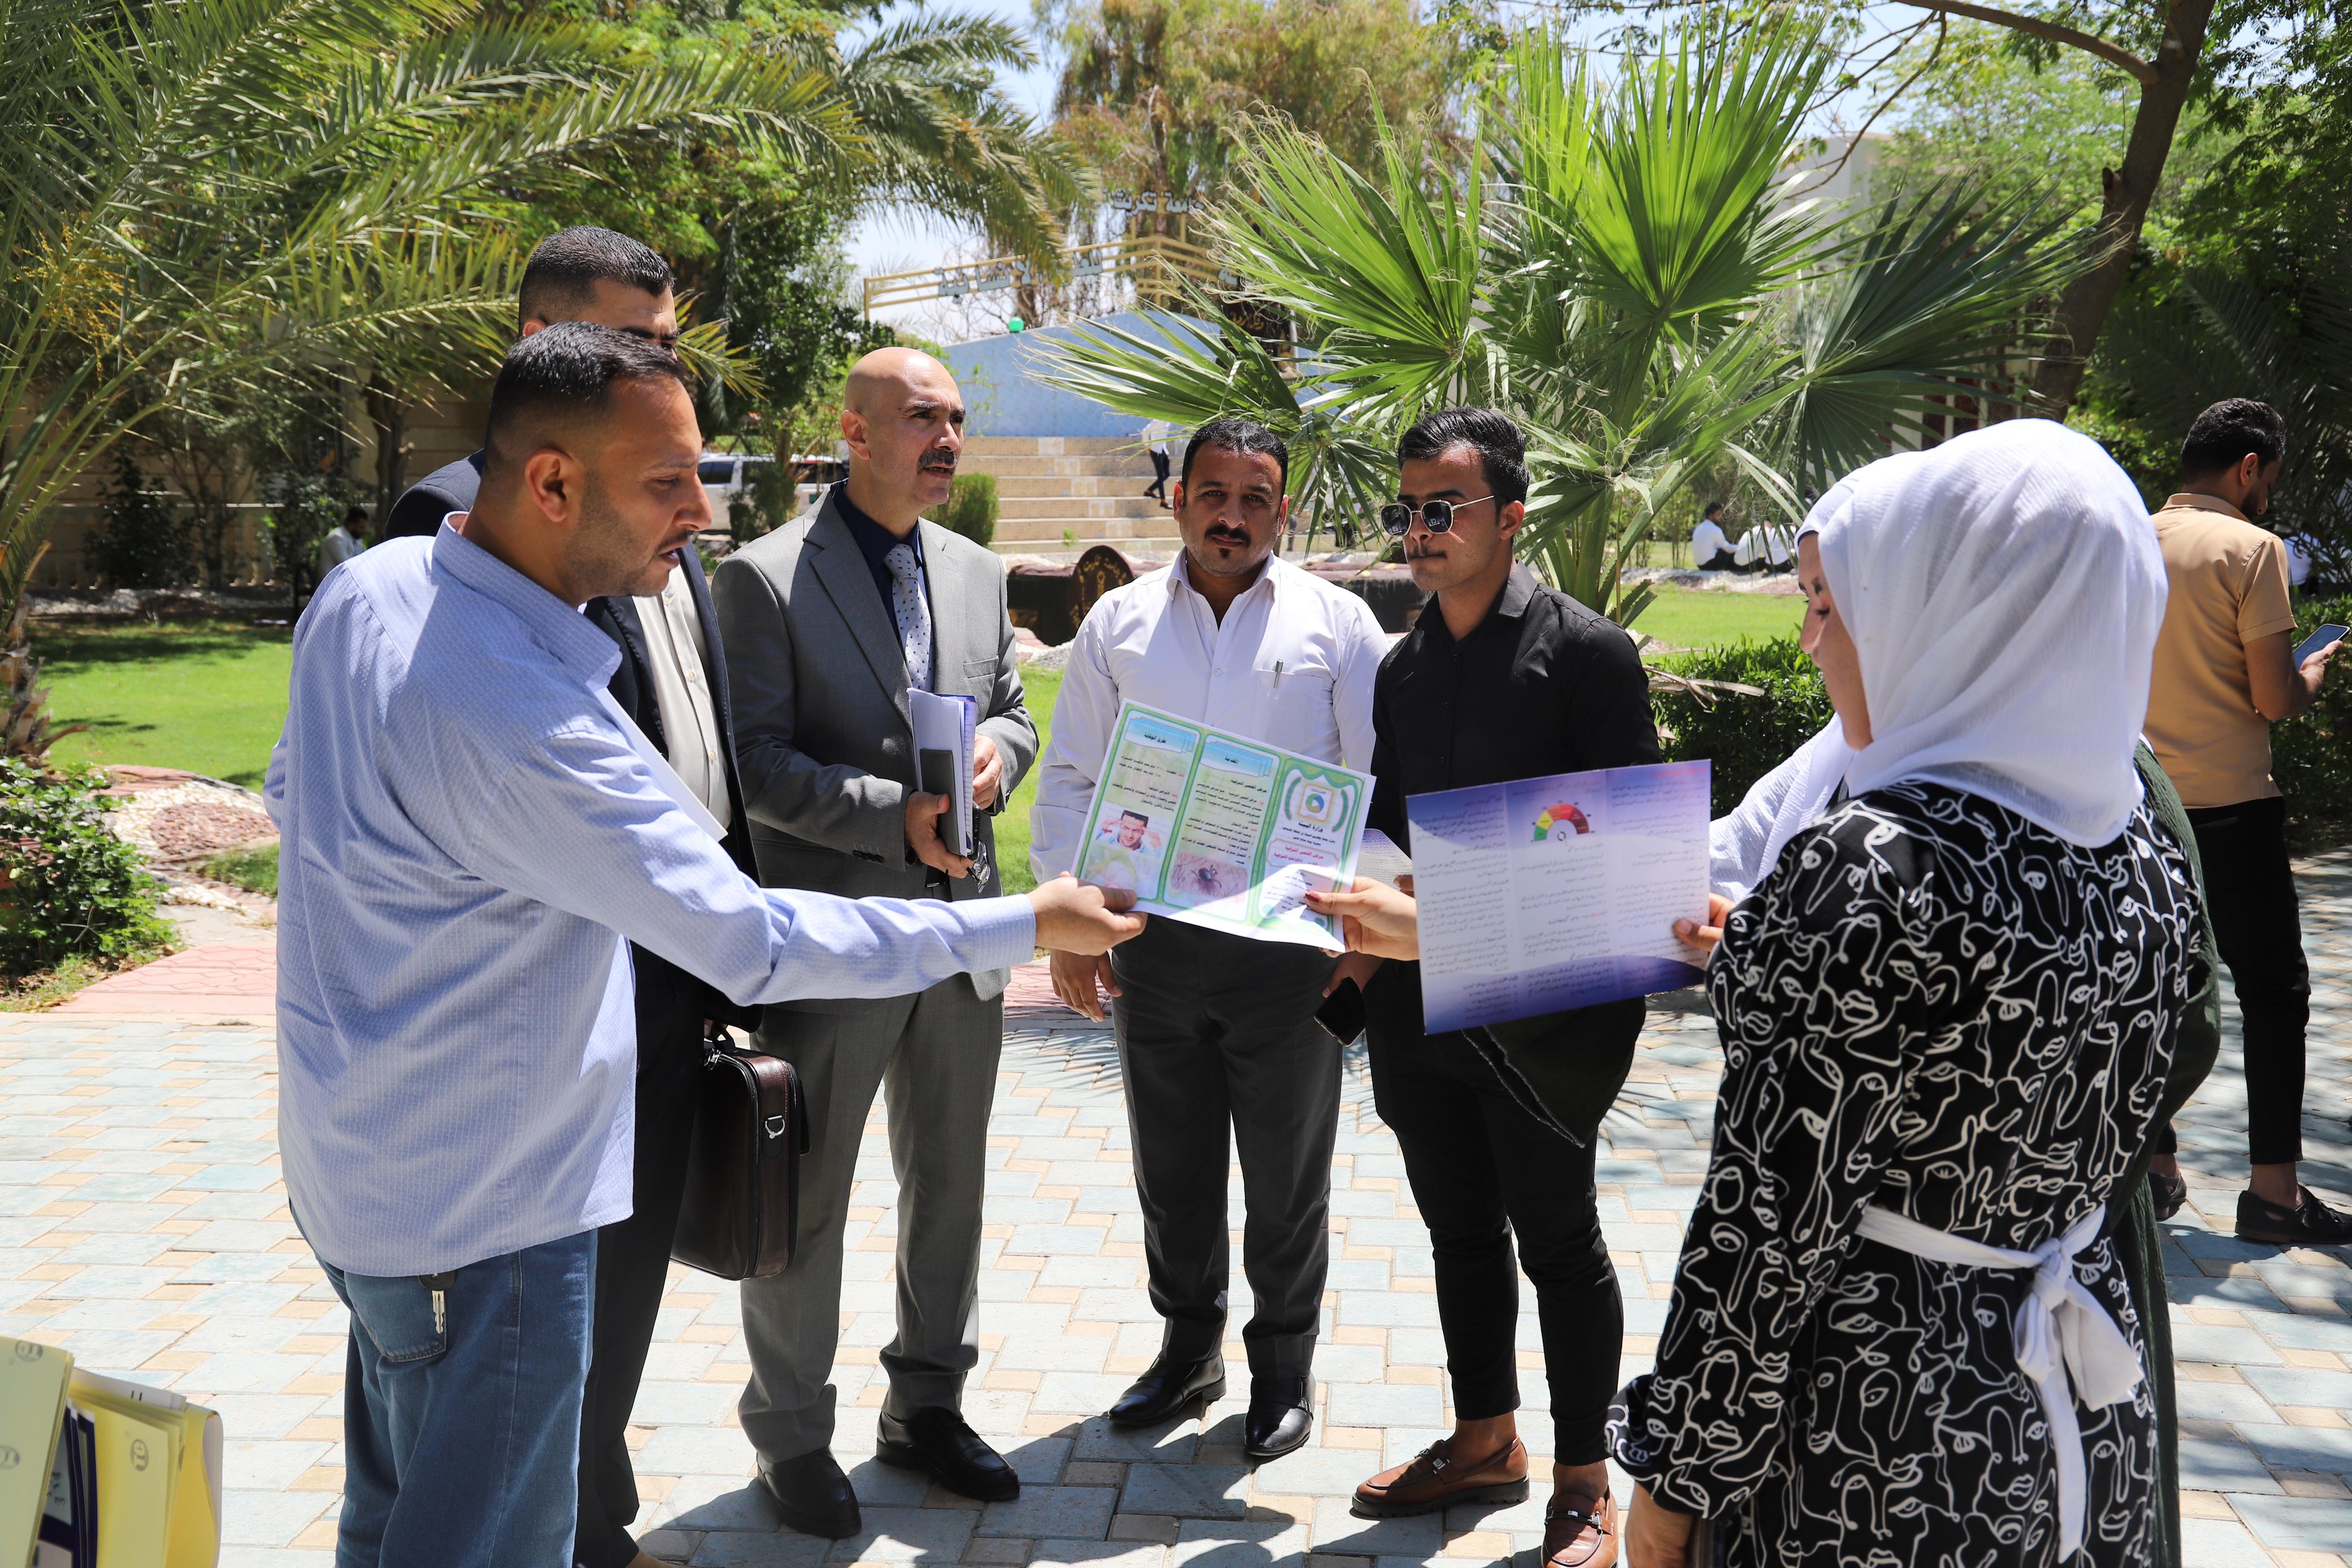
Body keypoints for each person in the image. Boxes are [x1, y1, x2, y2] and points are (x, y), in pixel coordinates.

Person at [266, 323, 1142, 1568]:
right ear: (552, 481)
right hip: (489, 1223)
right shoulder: (518, 710)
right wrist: (1027, 920)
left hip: (364, 1183)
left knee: (392, 1524)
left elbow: (289, 794)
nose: (702, 511)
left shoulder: (373, 590)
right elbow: (755, 938)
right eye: (668, 481)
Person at [1598, 419, 2199, 1568]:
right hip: (2078, 1416)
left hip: (1885, 1436)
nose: (1818, 642)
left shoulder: (1876, 863)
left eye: (1848, 604)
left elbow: (1767, 1226)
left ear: (1953, 610)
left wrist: (1675, 1477)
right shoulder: (2143, 854)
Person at [712, 347, 1040, 1537]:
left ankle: (928, 1407)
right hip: (835, 935)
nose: (946, 438)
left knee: (948, 1185)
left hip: (960, 928)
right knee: (803, 1196)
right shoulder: (761, 577)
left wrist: (1003, 753)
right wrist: (888, 814)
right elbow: (755, 764)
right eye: (920, 418)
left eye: (955, 418)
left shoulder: (976, 569)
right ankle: (791, 1434)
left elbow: (1012, 709)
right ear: (854, 433)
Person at [1326, 409, 1657, 1568]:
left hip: (1548, 1017)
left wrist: (1453, 911)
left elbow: (1629, 848)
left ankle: (1584, 1481)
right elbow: (1386, 821)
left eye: (1443, 507)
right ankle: (1484, 1440)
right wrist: (1349, 943)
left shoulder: (1589, 655)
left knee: (1558, 1240)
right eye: (1405, 507)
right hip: (1418, 1005)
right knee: (1459, 1229)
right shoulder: (1402, 667)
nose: (1418, 528)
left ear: (1510, 517)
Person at [1030, 415, 1389, 1460]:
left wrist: (1360, 940)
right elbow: (1072, 774)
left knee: (1287, 1175)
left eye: (1256, 498)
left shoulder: (1339, 624)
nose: (1233, 516)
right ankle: (1189, 1350)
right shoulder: (1120, 622)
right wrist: (1071, 925)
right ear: (1180, 499)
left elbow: (1376, 781)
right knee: (1172, 1166)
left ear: (1285, 510)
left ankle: (1282, 1367)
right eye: (1215, 494)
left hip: (1289, 952)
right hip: (1154, 938)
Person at [571, 519, 761, 1566]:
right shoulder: (475, 513)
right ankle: (580, 1528)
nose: (697, 496)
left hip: (684, 950)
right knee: (582, 1263)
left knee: (636, 1252)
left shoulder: (678, 539)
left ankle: (597, 1502)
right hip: (598, 958)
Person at [2141, 398, 2348, 1245]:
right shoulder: (2253, 549)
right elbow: (2271, 696)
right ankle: (2273, 1195)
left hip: (2139, 805)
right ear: (2248, 467)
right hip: (2231, 808)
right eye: (2271, 477)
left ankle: (2154, 1167)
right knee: (2272, 992)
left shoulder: (2129, 539)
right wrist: (2314, 671)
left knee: (2151, 986)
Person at [381, 226, 683, 541]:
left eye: (668, 345)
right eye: (631, 344)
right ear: (538, 339)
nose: (661, 368)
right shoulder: (448, 511)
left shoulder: (670, 495)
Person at [315, 505, 368, 579]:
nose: (363, 531)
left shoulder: (357, 540)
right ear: (351, 524)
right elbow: (347, 567)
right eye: (361, 527)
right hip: (332, 584)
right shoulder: (336, 538)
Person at [1689, 501, 1734, 570]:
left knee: (1723, 550)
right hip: (1710, 565)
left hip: (1700, 565)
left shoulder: (1699, 527)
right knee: (1732, 555)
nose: (1721, 517)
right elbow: (1727, 548)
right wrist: (1739, 547)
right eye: (1718, 515)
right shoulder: (1715, 529)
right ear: (1711, 516)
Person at [1142, 419, 1174, 507]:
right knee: (1161, 476)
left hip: (1163, 449)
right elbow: (1145, 431)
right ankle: (1163, 501)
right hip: (1155, 450)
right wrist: (1147, 446)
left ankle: (1149, 491)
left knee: (1166, 474)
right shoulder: (1158, 421)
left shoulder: (1168, 421)